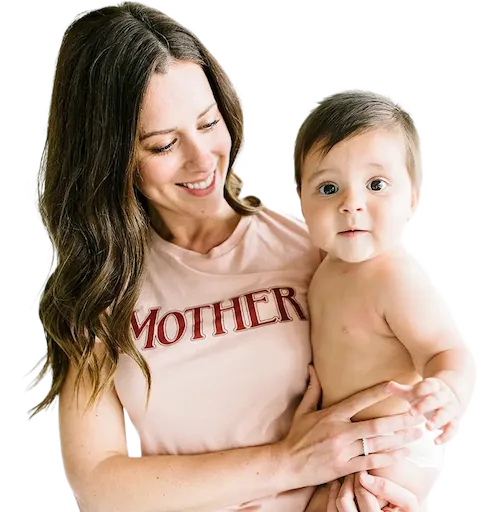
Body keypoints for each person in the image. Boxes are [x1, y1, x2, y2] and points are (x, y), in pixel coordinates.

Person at [28, 3, 423, 511]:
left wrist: (395, 488)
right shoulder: (99, 293)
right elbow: (101, 487)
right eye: (163, 144)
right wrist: (290, 461)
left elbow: (409, 388)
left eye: (208, 122)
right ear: (108, 157)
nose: (201, 159)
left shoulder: (319, 250)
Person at [292, 89, 477, 510]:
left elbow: (449, 349)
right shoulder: (325, 265)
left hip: (395, 451)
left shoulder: (395, 275)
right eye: (328, 187)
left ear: (413, 198)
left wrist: (445, 390)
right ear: (300, 202)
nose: (351, 204)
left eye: (377, 184)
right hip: (346, 448)